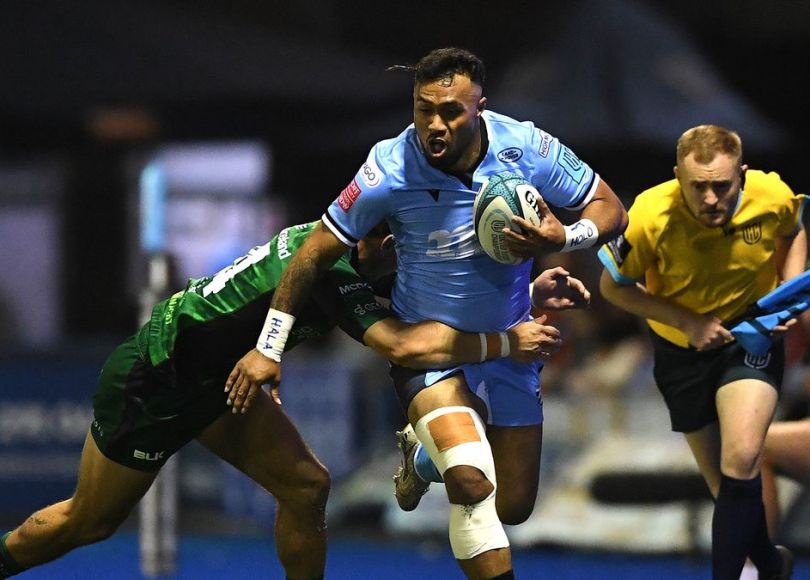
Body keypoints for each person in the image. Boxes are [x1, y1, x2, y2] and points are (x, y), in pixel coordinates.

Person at [226, 48, 627, 579]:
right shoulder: (388, 169)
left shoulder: (525, 146)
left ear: (480, 107)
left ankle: (421, 456)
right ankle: (445, 454)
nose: (435, 124)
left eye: (451, 111)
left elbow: (611, 208)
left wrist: (564, 237)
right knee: (472, 481)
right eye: (424, 109)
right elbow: (312, 253)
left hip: (512, 340)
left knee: (513, 505)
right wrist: (268, 347)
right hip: (431, 352)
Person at [0, 220, 575, 579]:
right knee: (89, 522)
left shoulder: (346, 245)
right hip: (154, 382)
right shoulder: (334, 268)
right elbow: (402, 343)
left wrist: (523, 293)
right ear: (386, 241)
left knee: (307, 486)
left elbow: (430, 310)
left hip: (226, 381)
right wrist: (508, 340)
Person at [598, 124, 804, 580]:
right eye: (698, 187)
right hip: (681, 353)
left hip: (750, 339)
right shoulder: (648, 215)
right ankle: (770, 563)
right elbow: (613, 287)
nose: (710, 199)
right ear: (678, 177)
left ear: (742, 175)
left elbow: (793, 231)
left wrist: (788, 293)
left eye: (722, 186)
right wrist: (687, 322)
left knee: (742, 457)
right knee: (726, 485)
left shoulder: (771, 193)